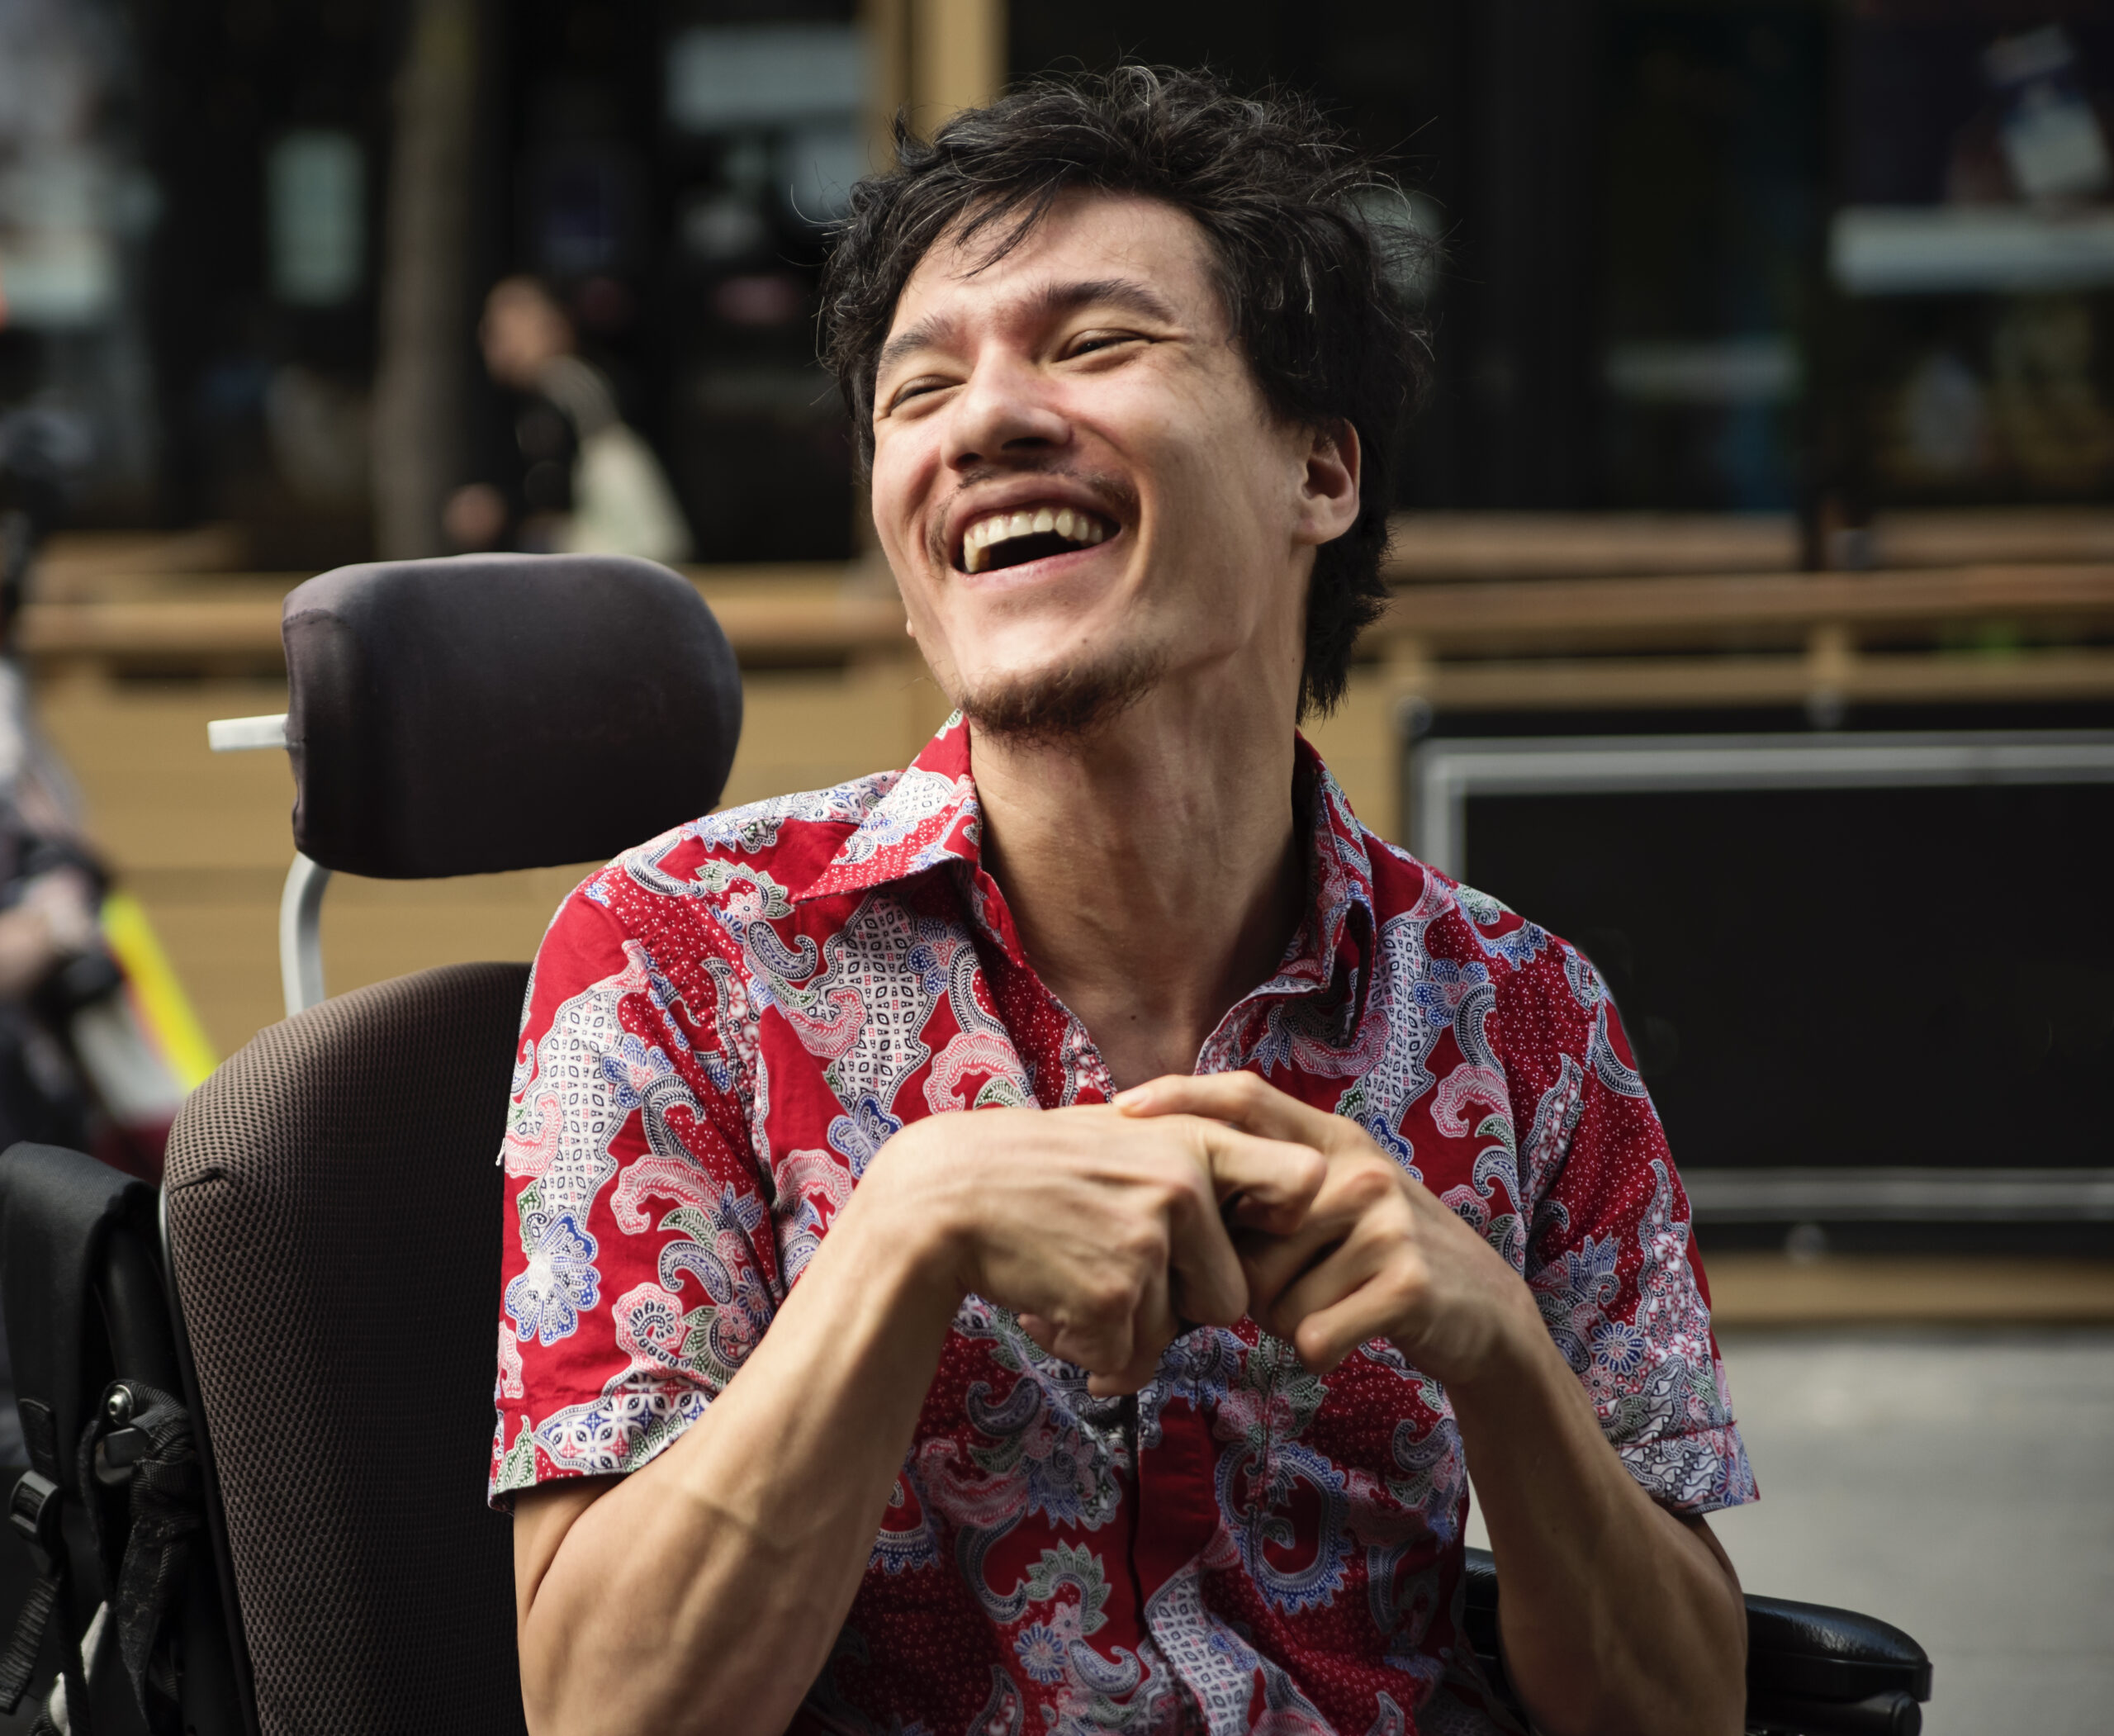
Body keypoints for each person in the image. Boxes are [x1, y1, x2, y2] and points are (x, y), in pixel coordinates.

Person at [495, 67, 1753, 1736]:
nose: (982, 420)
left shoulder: (1521, 1015)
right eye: (915, 386)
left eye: (1092, 345)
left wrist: (1502, 1360)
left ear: (1319, 467)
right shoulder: (672, 962)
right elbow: (603, 1713)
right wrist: (904, 1232)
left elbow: (1685, 1713)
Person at [444, 275, 691, 563]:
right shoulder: (544, 394)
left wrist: (502, 509)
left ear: (553, 325)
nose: (491, 337)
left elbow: (555, 490)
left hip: (608, 560)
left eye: (508, 324)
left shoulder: (567, 388)